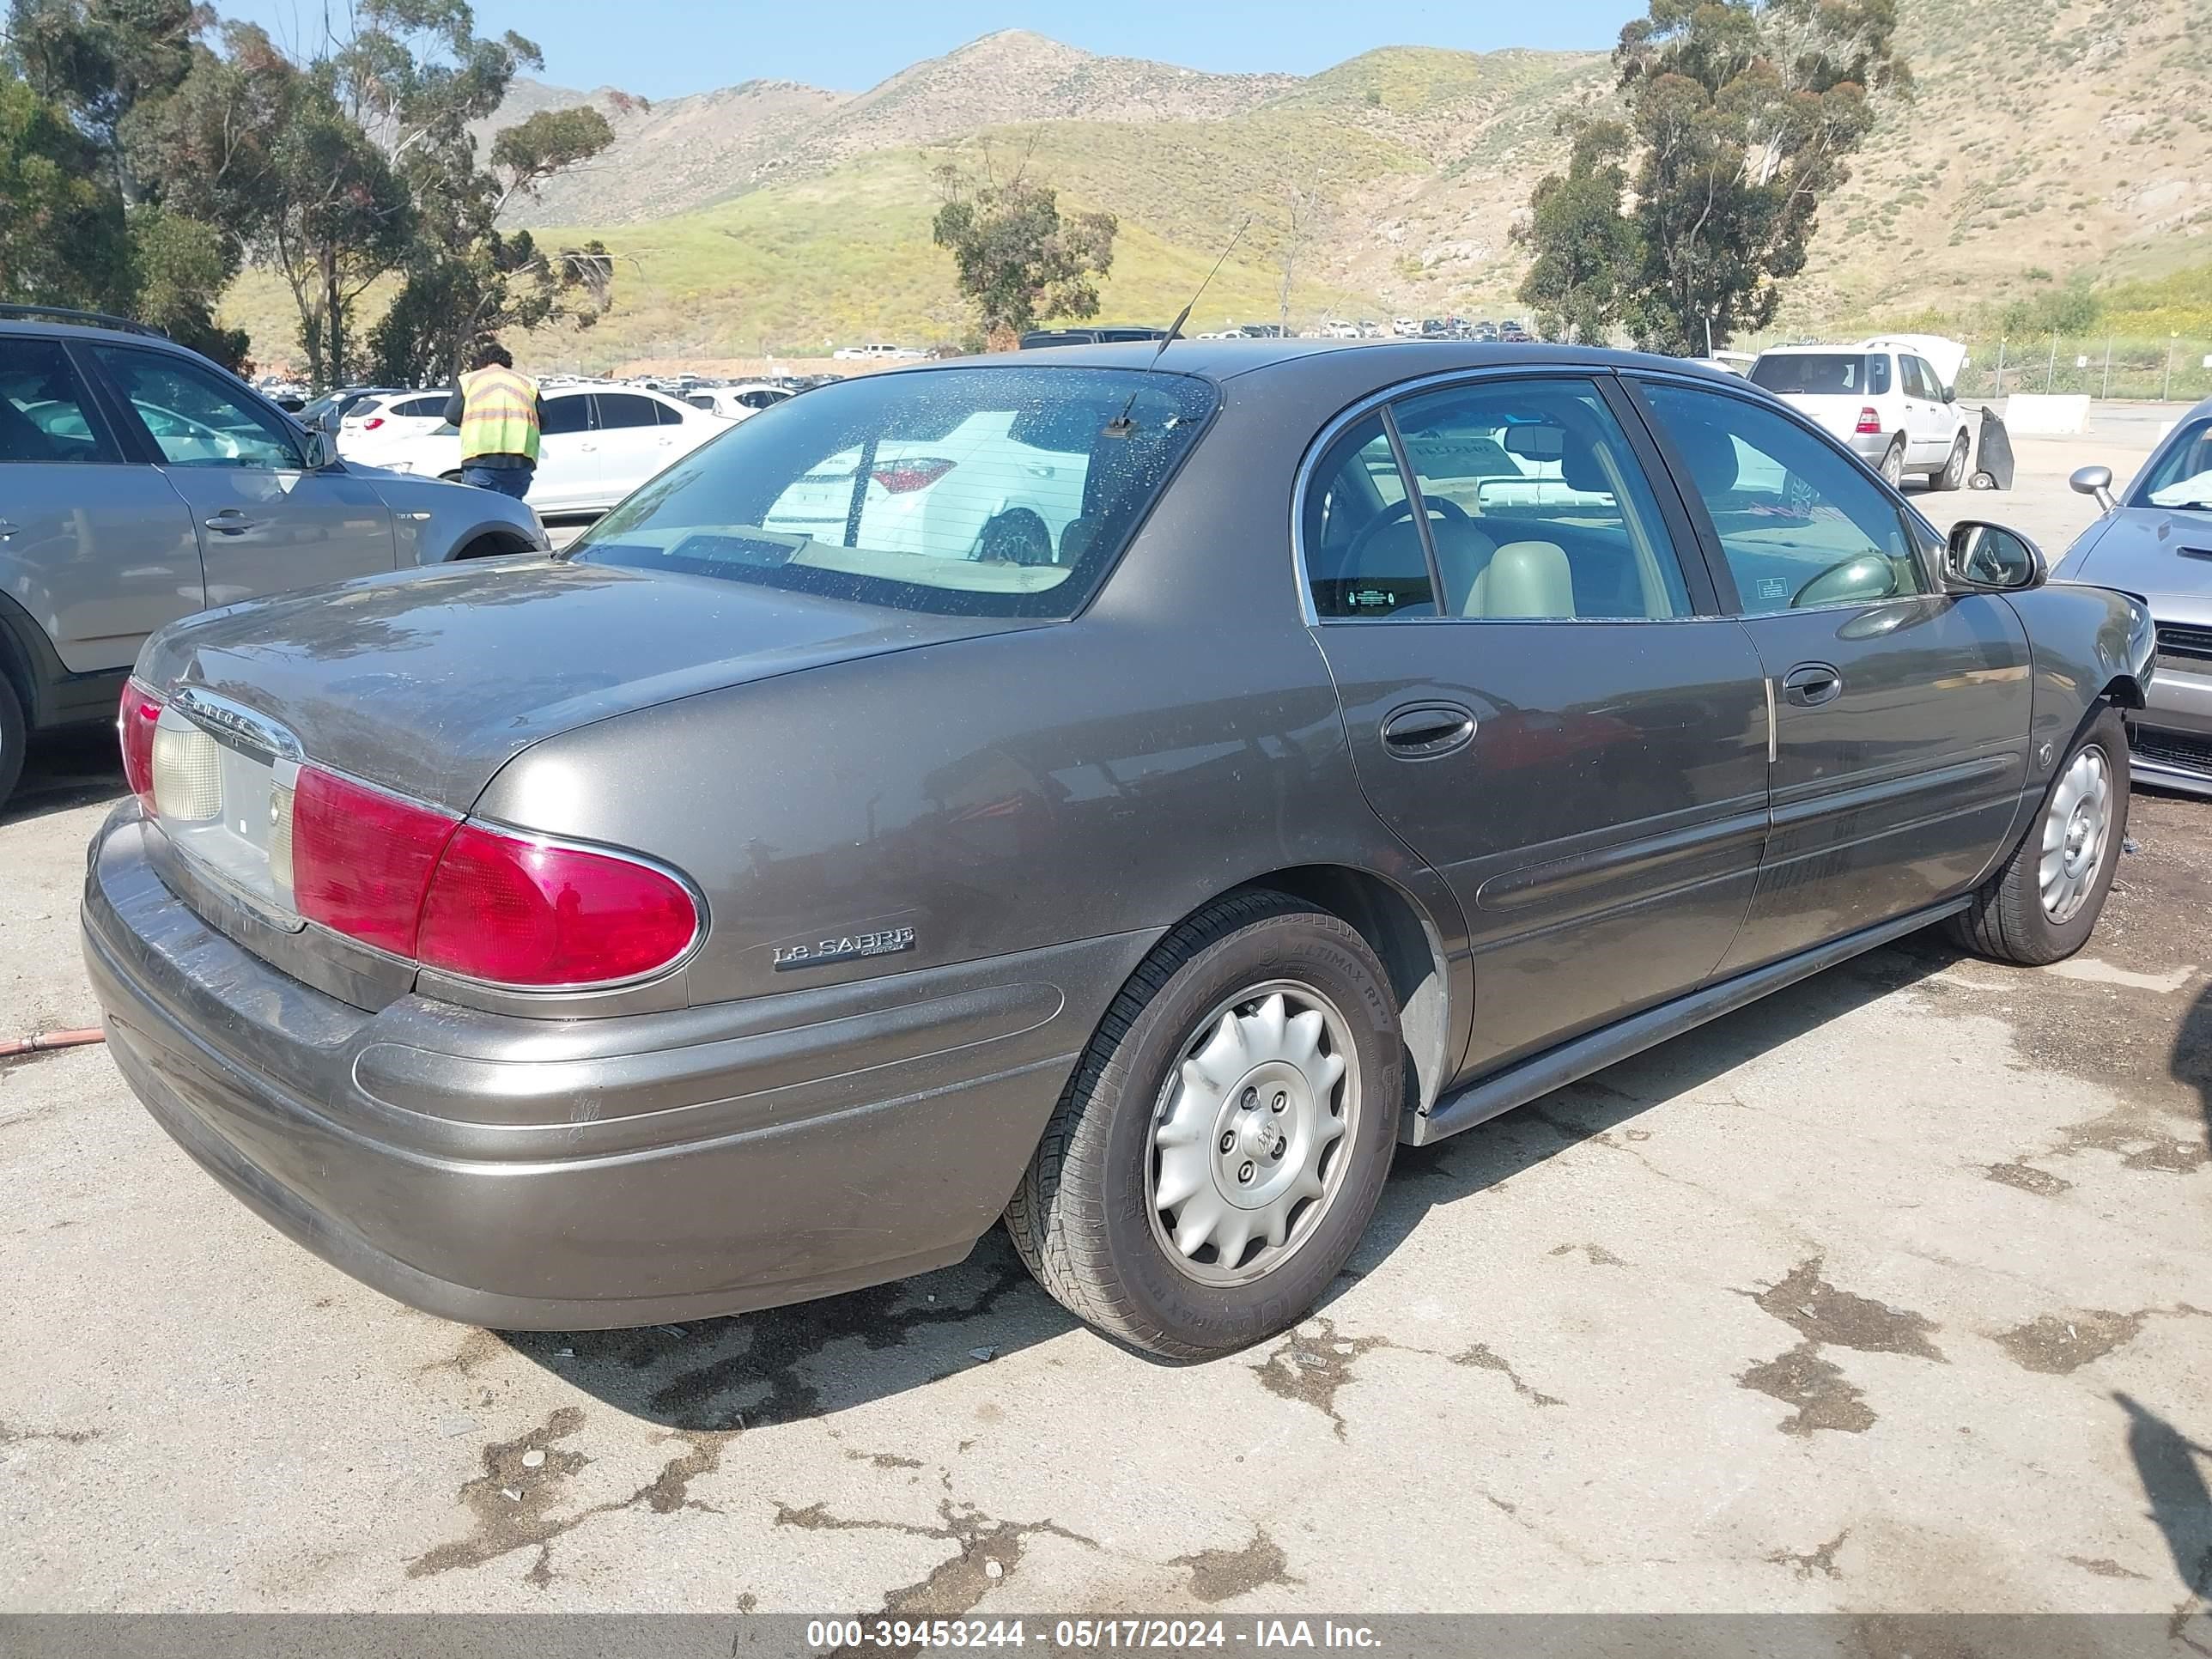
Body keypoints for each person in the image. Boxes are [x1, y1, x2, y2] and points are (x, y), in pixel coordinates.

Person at [443, 342, 544, 499]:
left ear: (482, 363)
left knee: (481, 513)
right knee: (512, 512)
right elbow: (545, 419)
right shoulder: (527, 383)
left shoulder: (469, 381)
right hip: (520, 459)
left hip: (480, 458)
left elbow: (451, 415)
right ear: (507, 364)